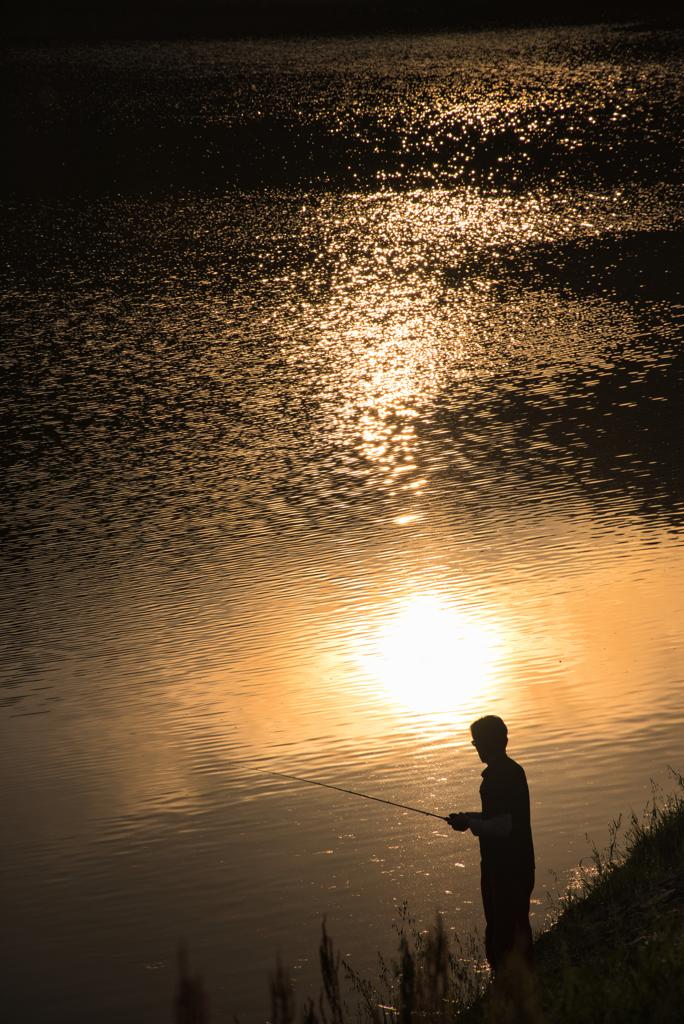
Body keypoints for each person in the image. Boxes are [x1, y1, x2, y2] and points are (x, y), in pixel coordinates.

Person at [448, 715, 535, 974]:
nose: (475, 748)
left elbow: (501, 827)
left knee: (504, 935)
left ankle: (511, 990)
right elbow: (503, 817)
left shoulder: (495, 779)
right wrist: (471, 817)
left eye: (475, 742)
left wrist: (469, 824)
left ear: (484, 744)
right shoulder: (513, 770)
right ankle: (523, 985)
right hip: (520, 863)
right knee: (516, 929)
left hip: (504, 868)